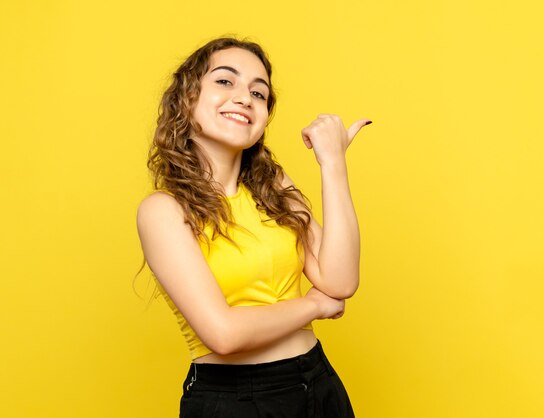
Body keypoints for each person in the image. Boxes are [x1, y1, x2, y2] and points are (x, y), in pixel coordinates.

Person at [136, 36, 370, 417]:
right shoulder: (163, 211)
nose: (245, 97)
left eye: (259, 93)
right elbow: (224, 335)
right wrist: (312, 304)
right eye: (225, 81)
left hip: (318, 383)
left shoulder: (273, 186)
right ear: (186, 97)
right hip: (234, 401)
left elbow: (341, 282)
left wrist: (333, 164)